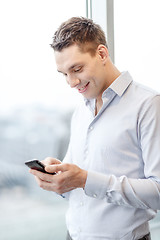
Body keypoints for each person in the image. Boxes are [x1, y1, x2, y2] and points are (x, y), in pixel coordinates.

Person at [29, 17, 160, 240]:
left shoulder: (148, 105)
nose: (71, 82)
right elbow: (77, 182)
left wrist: (85, 179)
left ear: (101, 54)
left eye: (77, 69)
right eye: (64, 74)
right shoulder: (81, 110)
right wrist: (58, 175)